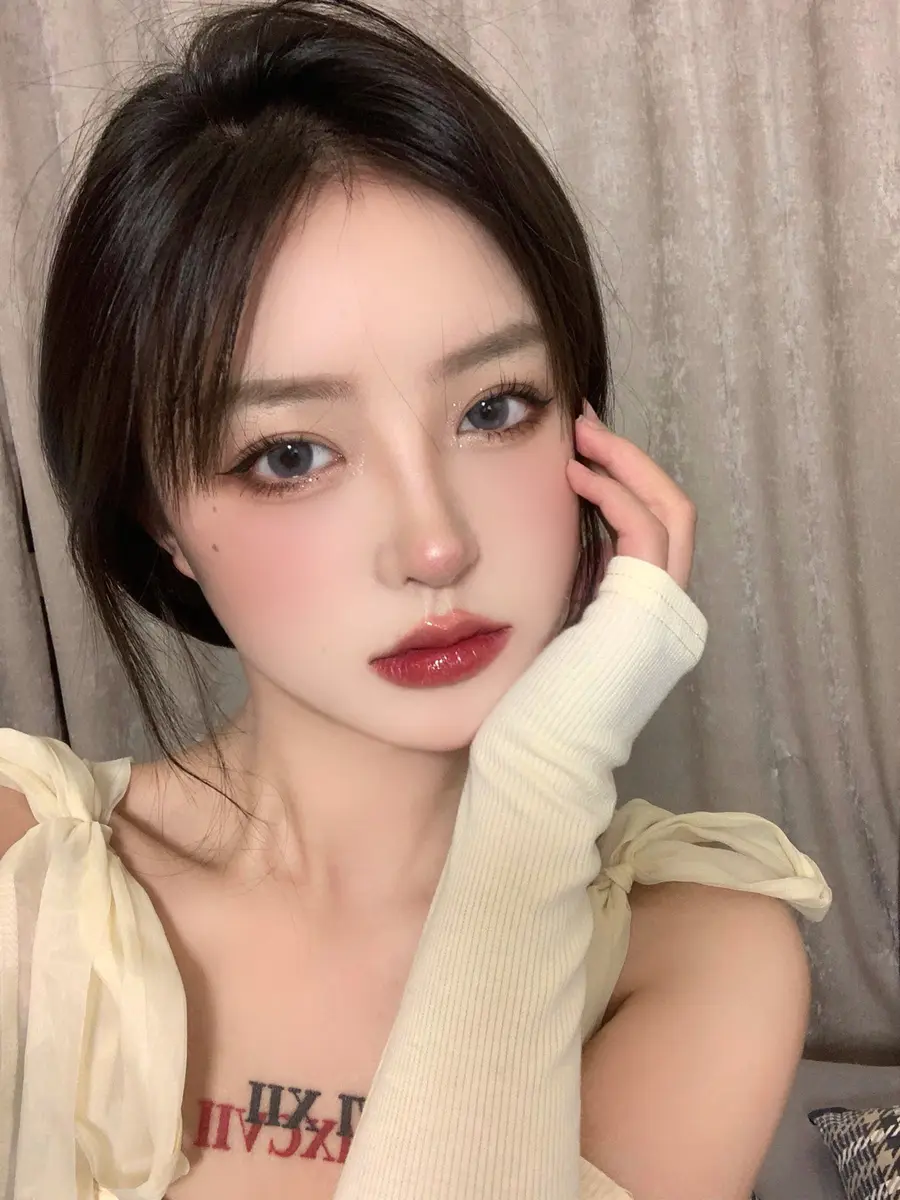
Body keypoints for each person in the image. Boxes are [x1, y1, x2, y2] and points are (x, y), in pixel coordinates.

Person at [0, 2, 831, 1198]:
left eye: (494, 408)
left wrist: (537, 790)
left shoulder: (699, 949)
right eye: (290, 454)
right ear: (160, 517)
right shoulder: (25, 878)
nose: (436, 545)